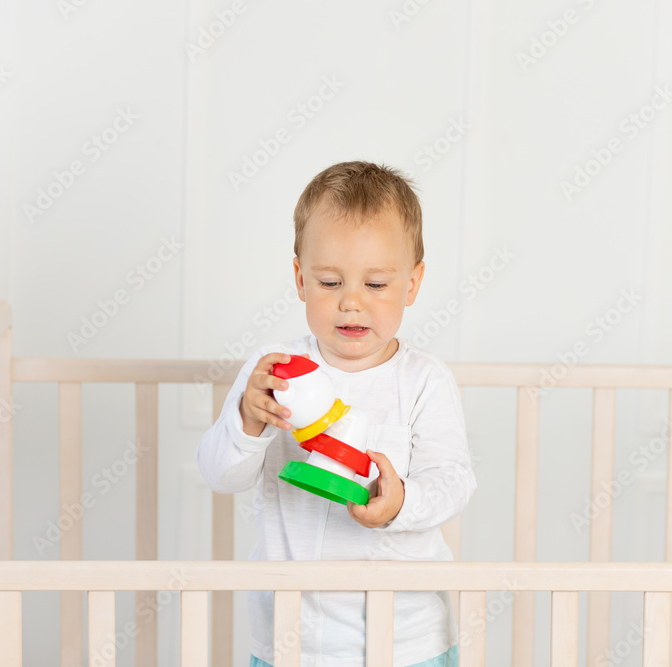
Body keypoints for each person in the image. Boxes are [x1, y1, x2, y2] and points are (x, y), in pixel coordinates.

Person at [196, 160, 476, 667]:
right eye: (329, 282)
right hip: (289, 641)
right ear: (301, 279)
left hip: (407, 641)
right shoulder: (274, 372)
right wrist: (248, 421)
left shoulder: (424, 381)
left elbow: (453, 481)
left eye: (375, 285)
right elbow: (219, 474)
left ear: (411, 285)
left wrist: (400, 503)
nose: (351, 303)